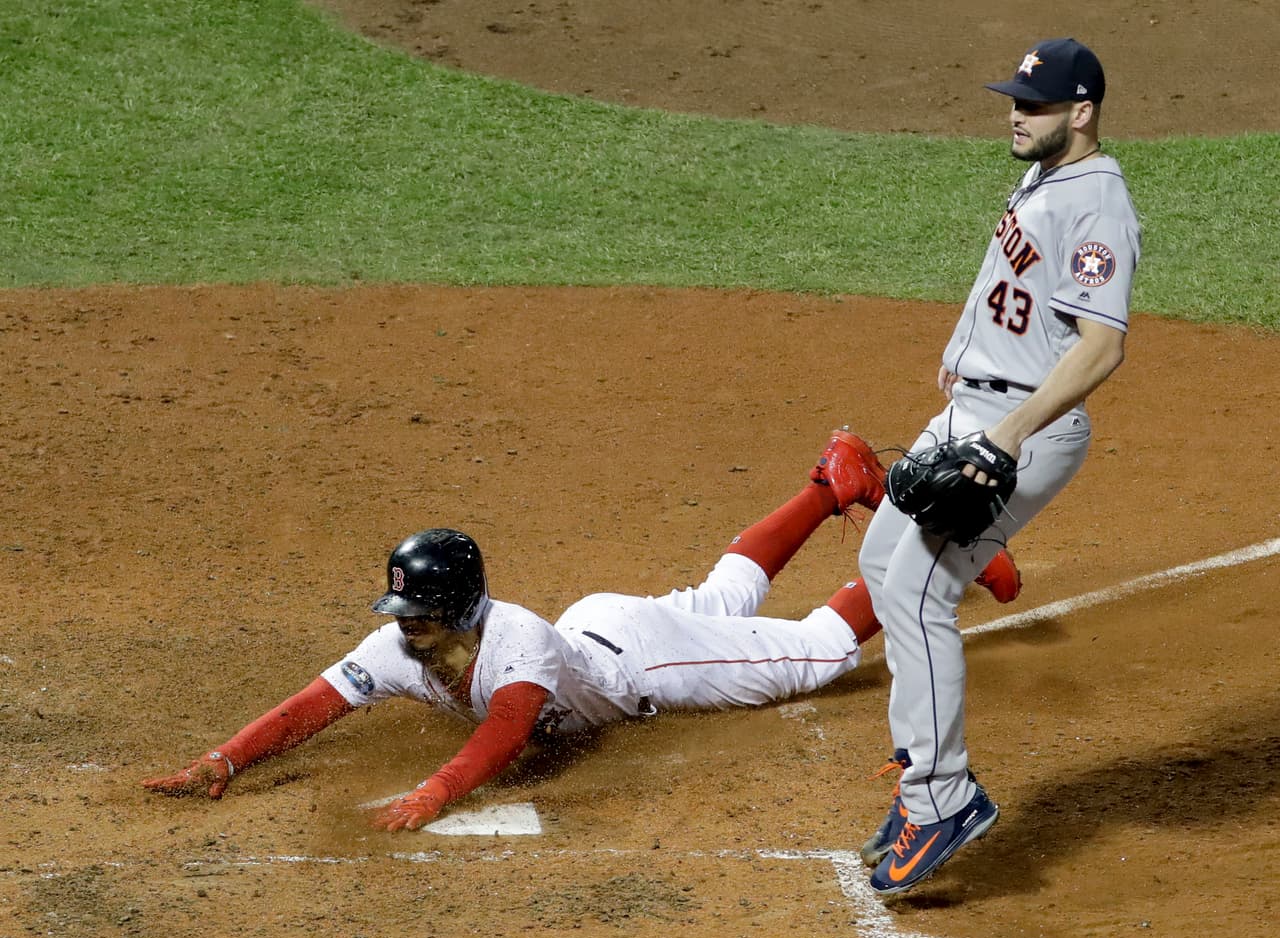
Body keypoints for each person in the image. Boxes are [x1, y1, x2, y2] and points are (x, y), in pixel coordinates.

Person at [143, 429, 1022, 831]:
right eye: (401, 615)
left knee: (818, 653)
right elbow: (311, 705)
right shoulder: (401, 649)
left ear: (458, 611)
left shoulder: (516, 643)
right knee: (720, 597)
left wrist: (432, 794)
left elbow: (502, 735)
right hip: (603, 628)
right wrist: (226, 759)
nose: (404, 630)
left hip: (650, 664)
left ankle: (935, 541)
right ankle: (834, 484)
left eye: (418, 616)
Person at [855, 38, 1141, 894]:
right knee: (883, 562)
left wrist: (1009, 433)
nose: (1017, 114)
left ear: (1081, 112)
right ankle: (921, 768)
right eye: (1015, 99)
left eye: (1035, 103)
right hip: (973, 409)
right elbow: (1011, 284)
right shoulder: (1046, 174)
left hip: (1023, 426)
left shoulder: (1098, 204)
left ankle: (942, 798)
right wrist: (960, 351)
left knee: (921, 591)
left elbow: (1102, 345)